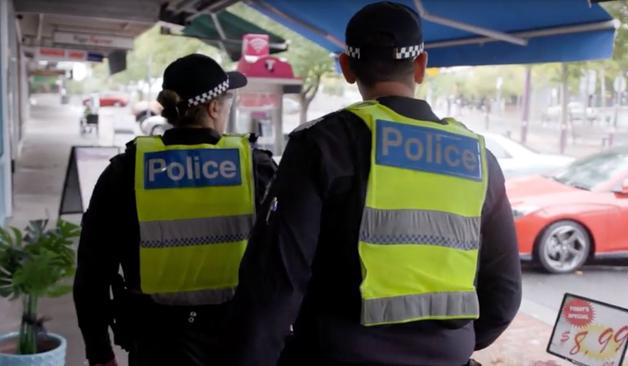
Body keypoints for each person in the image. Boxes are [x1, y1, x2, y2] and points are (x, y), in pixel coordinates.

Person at [221, 2, 522, 366]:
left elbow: (276, 282)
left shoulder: (324, 145)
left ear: (346, 67)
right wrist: (448, 346)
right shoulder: (479, 159)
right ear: (422, 65)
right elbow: (503, 295)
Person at [73, 53, 277, 366]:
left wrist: (98, 351)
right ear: (213, 108)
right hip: (241, 339)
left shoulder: (127, 171)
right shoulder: (255, 168)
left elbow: (92, 269)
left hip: (156, 343)